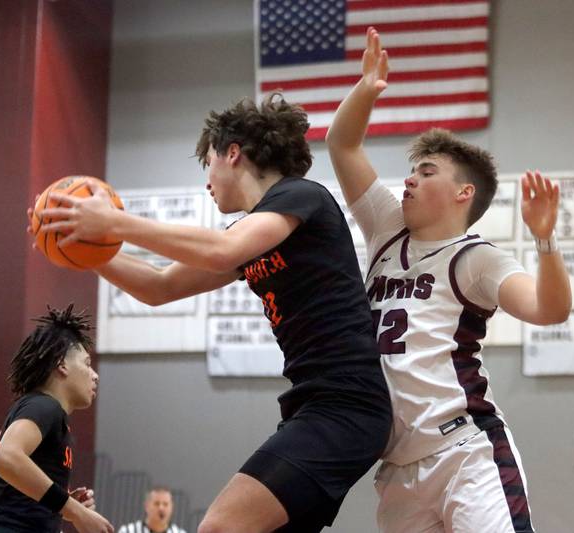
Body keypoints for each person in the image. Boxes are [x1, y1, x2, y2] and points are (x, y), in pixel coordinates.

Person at [37, 94, 393, 533]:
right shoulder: (252, 235)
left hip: (347, 406)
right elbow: (159, 286)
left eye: (207, 161)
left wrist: (113, 224)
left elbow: (223, 249)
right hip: (317, 406)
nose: (207, 179)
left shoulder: (302, 197)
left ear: (232, 153)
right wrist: (80, 248)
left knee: (219, 527)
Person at [325, 28, 572, 533]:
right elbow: (341, 142)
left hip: (466, 454)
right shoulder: (387, 231)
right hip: (397, 469)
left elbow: (550, 310)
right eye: (411, 170)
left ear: (463, 193)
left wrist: (545, 241)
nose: (409, 178)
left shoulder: (476, 259)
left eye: (427, 171)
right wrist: (366, 89)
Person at [0, 304, 113, 533]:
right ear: (61, 365)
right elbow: (5, 458)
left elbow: (16, 497)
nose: (95, 375)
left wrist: (61, 503)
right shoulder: (45, 406)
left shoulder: (43, 411)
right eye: (87, 364)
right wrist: (74, 511)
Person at [118, 486, 186, 533]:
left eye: (165, 504)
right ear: (146, 506)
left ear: (172, 507)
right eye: (157, 503)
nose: (161, 508)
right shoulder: (128, 531)